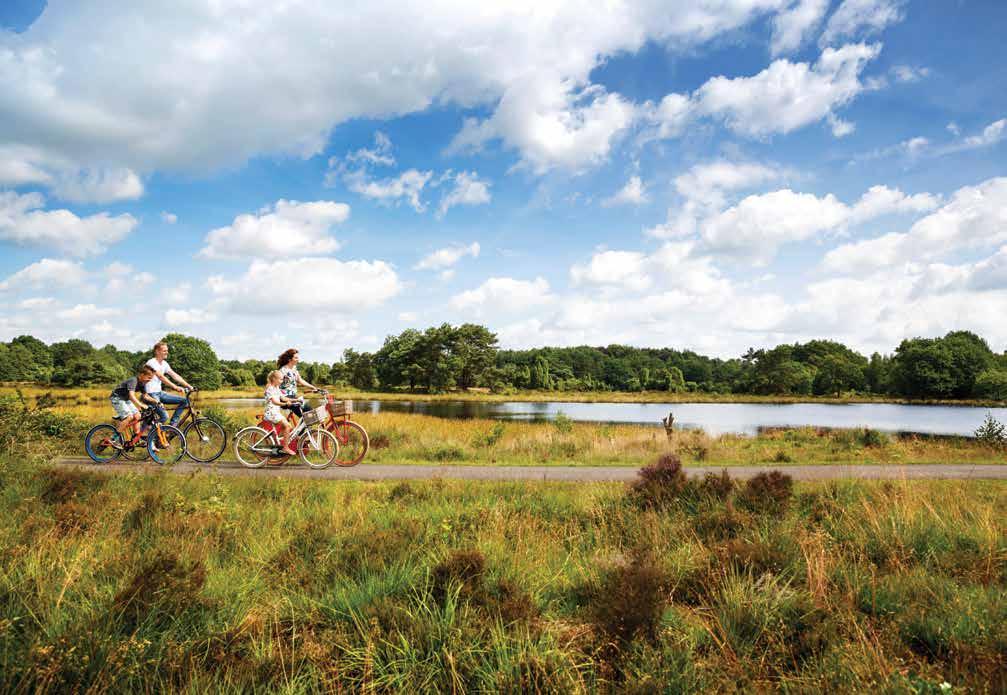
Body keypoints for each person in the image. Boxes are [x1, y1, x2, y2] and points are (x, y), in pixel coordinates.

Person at [145, 341, 193, 427]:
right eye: (164, 350)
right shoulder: (151, 363)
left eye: (167, 350)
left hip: (159, 393)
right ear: (157, 351)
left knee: (184, 401)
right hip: (150, 394)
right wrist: (175, 387)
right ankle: (151, 437)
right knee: (164, 416)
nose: (167, 352)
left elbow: (175, 375)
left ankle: (173, 425)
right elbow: (161, 377)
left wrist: (188, 386)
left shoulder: (164, 364)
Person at [110, 365, 157, 444]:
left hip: (125, 399)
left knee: (137, 416)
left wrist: (156, 401)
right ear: (142, 375)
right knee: (129, 417)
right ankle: (113, 439)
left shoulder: (142, 384)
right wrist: (140, 405)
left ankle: (136, 438)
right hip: (117, 398)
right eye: (148, 378)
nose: (149, 380)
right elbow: (131, 396)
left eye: (151, 378)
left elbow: (145, 396)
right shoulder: (133, 380)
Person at [276, 348, 319, 420]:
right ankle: (303, 430)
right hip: (285, 398)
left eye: (298, 357)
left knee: (309, 412)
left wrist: (312, 387)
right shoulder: (283, 371)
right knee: (306, 416)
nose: (298, 359)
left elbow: (300, 380)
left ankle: (302, 431)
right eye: (296, 358)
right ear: (290, 359)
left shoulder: (294, 369)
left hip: (293, 397)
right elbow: (276, 385)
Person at [264, 370, 297, 457]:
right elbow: (274, 402)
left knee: (286, 427)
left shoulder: (276, 387)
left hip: (275, 413)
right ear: (274, 379)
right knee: (288, 426)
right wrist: (285, 404)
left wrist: (295, 400)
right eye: (280, 379)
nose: (281, 381)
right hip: (271, 413)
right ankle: (285, 448)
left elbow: (282, 397)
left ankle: (277, 443)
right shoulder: (269, 388)